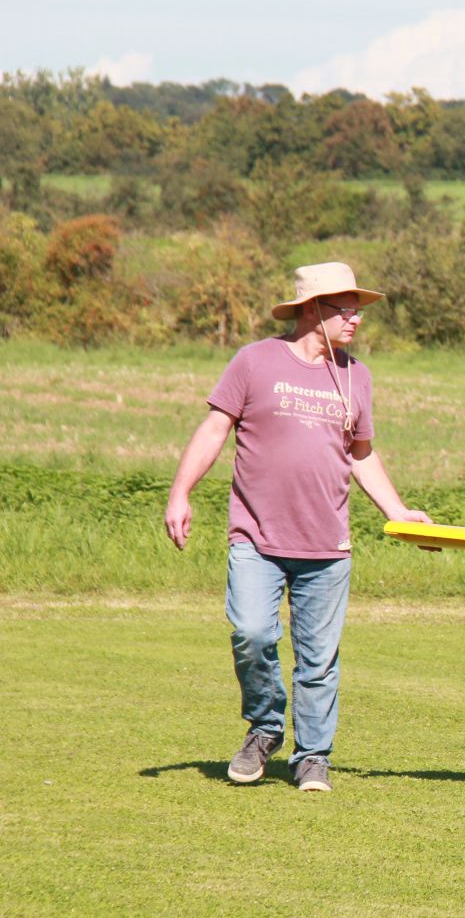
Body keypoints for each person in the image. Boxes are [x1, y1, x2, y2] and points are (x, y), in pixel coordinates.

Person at [163, 262, 430, 793]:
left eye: (358, 309)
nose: (356, 318)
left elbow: (360, 454)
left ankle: (312, 757)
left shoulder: (356, 375)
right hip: (256, 538)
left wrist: (398, 512)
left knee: (318, 661)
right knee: (252, 634)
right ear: (311, 309)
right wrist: (180, 492)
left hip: (327, 544)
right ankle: (265, 728)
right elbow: (214, 428)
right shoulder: (254, 361)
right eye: (344, 308)